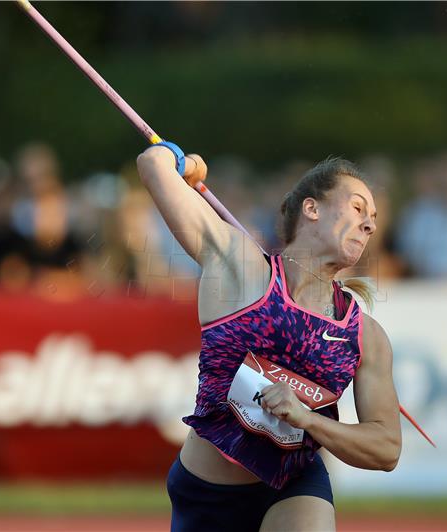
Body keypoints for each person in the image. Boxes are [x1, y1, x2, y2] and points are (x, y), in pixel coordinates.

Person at [136, 146, 401, 532]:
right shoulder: (241, 268)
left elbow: (387, 448)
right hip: (207, 494)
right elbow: (151, 163)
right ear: (312, 209)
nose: (370, 224)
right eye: (358, 208)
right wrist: (185, 163)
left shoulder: (365, 335)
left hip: (293, 486)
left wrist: (307, 420)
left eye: (374, 218)